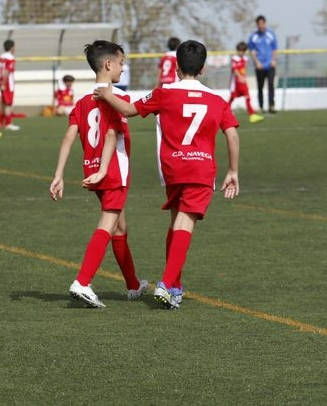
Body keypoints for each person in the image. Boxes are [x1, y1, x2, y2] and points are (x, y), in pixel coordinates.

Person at [95, 40, 240, 310]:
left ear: (176, 67)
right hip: (200, 169)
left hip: (173, 169)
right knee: (185, 224)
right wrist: (232, 171)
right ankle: (166, 283)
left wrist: (106, 94)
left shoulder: (164, 93)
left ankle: (175, 286)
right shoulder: (218, 100)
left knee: (176, 223)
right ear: (203, 69)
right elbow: (231, 134)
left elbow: (128, 110)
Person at [49, 40, 148, 308]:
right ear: (108, 64)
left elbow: (69, 137)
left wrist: (58, 175)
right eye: (121, 63)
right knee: (107, 224)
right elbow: (112, 135)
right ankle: (82, 281)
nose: (123, 68)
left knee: (120, 227)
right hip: (112, 172)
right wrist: (105, 170)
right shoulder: (118, 99)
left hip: (92, 170)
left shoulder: (82, 102)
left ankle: (133, 285)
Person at [247, 15, 278, 113]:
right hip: (259, 66)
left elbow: (274, 49)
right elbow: (252, 51)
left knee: (271, 85)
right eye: (259, 24)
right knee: (260, 86)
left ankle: (271, 105)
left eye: (262, 23)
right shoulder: (254, 36)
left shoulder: (271, 34)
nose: (261, 25)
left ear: (265, 23)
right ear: (257, 25)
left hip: (270, 65)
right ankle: (261, 106)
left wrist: (273, 60)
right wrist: (257, 62)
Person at [229, 41, 264, 124]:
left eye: (242, 51)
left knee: (246, 97)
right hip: (236, 83)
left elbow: (243, 69)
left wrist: (244, 76)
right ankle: (224, 111)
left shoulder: (245, 59)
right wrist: (240, 77)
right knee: (233, 98)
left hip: (242, 82)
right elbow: (234, 69)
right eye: (239, 50)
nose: (241, 52)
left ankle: (252, 115)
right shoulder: (235, 59)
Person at [0, 39, 20, 131]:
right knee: (8, 104)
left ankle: (0, 123)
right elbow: (7, 71)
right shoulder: (10, 58)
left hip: (1, 81)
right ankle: (8, 124)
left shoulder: (1, 57)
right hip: (7, 83)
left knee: (3, 103)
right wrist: (4, 83)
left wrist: (1, 82)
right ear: (12, 47)